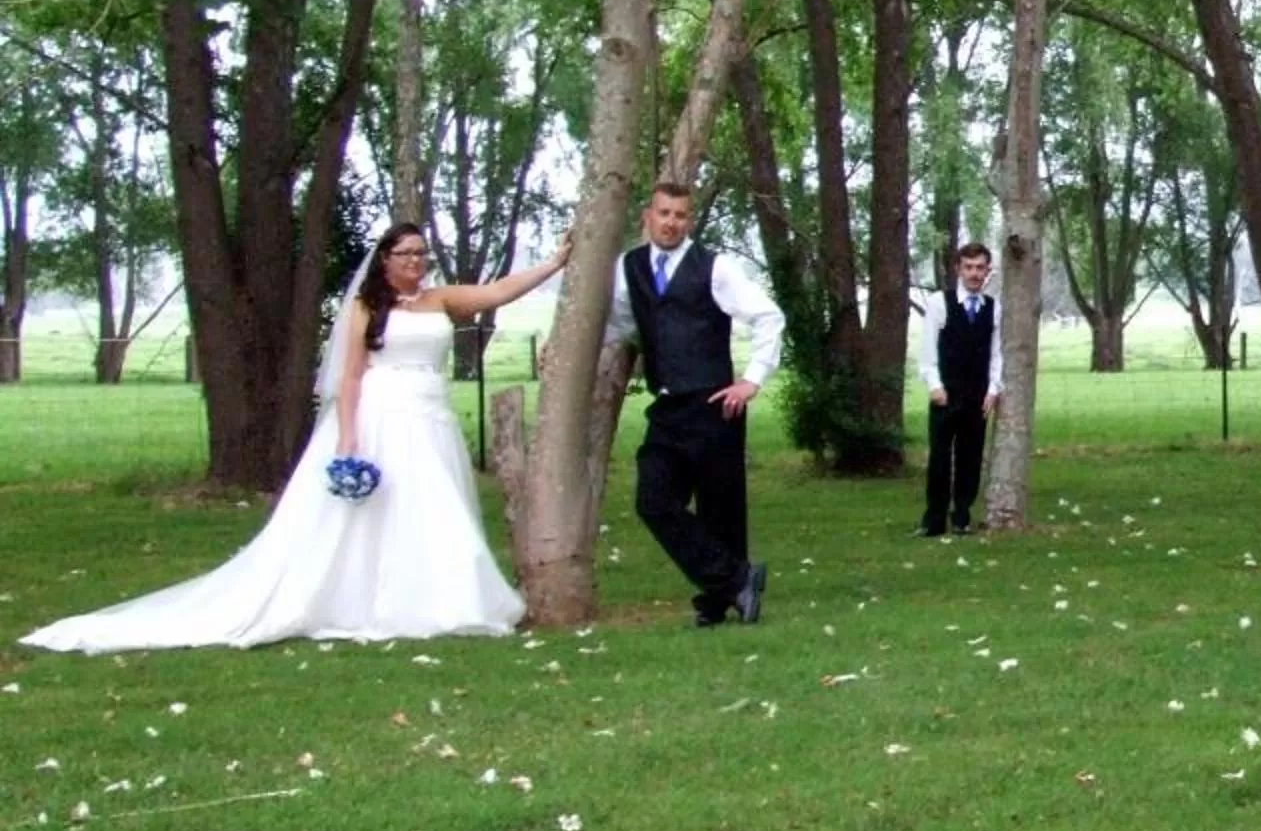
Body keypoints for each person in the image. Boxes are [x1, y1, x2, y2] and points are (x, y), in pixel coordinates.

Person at [22, 224, 568, 651]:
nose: (417, 263)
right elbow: (352, 375)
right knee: (379, 509)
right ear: (385, 260)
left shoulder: (441, 300)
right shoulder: (365, 309)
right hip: (381, 413)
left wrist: (555, 262)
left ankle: (445, 596)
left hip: (429, 413)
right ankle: (371, 598)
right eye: (406, 255)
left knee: (435, 506)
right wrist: (350, 438)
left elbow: (498, 290)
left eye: (422, 254)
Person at [603, 180, 782, 627]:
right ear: (649, 215)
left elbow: (767, 316)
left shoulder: (715, 268)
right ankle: (737, 579)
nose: (671, 223)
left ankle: (722, 600)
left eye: (680, 215)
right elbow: (620, 324)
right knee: (654, 500)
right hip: (666, 405)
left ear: (690, 219)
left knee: (721, 508)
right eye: (664, 213)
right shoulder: (630, 267)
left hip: (713, 404)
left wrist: (751, 380)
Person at [914, 241, 1002, 537]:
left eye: (980, 268)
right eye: (969, 267)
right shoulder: (940, 303)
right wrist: (934, 384)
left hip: (978, 394)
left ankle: (962, 516)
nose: (974, 273)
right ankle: (934, 520)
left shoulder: (994, 307)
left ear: (988, 271)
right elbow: (927, 349)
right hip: (946, 393)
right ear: (958, 269)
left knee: (971, 457)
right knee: (940, 458)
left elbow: (997, 352)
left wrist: (993, 389)